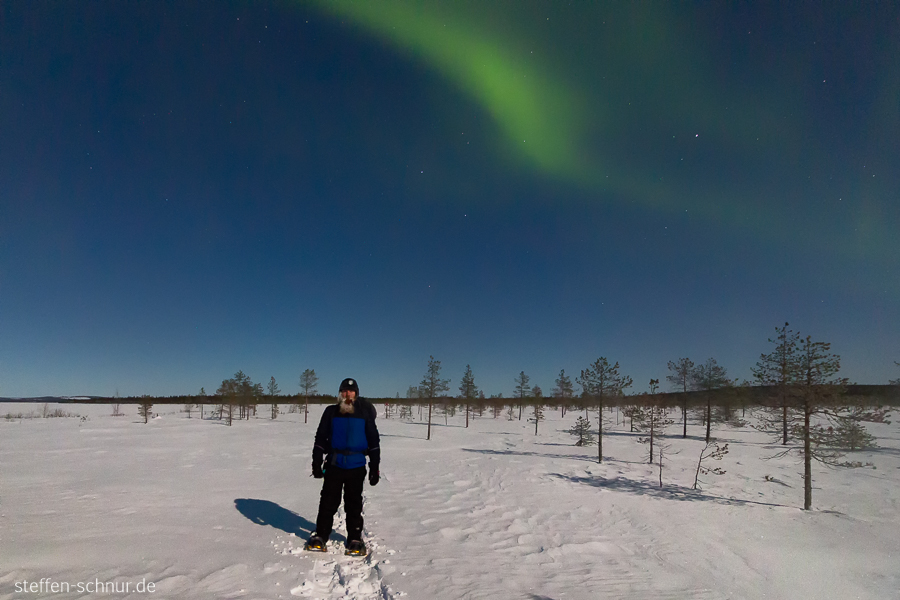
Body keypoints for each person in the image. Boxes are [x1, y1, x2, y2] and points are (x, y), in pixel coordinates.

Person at [305, 377, 380, 556]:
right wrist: (316, 462)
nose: (348, 394)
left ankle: (354, 539)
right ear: (340, 394)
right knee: (328, 502)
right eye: (344, 391)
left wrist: (374, 467)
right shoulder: (331, 412)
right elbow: (320, 438)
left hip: (356, 465)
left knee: (353, 503)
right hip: (334, 464)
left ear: (356, 394)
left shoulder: (364, 413)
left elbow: (374, 441)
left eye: (351, 392)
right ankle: (321, 536)